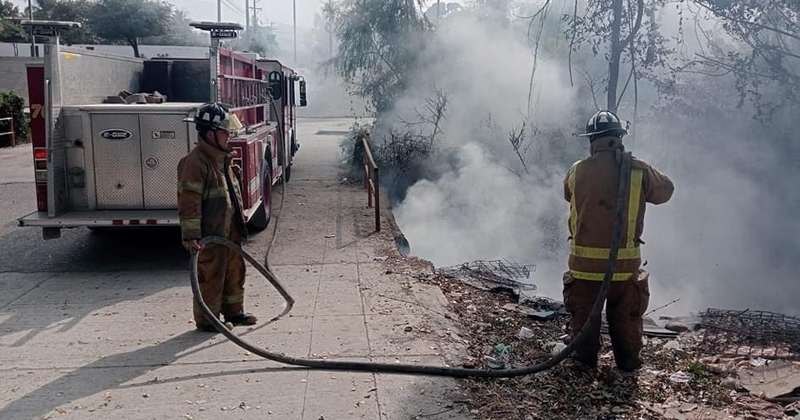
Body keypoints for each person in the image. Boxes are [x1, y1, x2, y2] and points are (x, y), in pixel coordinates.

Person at [563, 110, 674, 371]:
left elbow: (568, 194)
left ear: (592, 140)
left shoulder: (576, 171)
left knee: (584, 319)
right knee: (626, 319)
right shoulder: (637, 170)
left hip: (584, 269)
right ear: (619, 138)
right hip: (623, 268)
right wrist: (640, 166)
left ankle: (584, 363)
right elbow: (666, 191)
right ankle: (628, 364)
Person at [177, 102, 258, 332]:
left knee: (234, 271)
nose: (229, 136)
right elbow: (189, 202)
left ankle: (234, 312)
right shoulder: (195, 163)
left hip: (229, 230)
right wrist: (192, 235)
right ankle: (208, 320)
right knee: (211, 276)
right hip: (209, 235)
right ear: (210, 134)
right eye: (225, 132)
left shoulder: (221, 159)